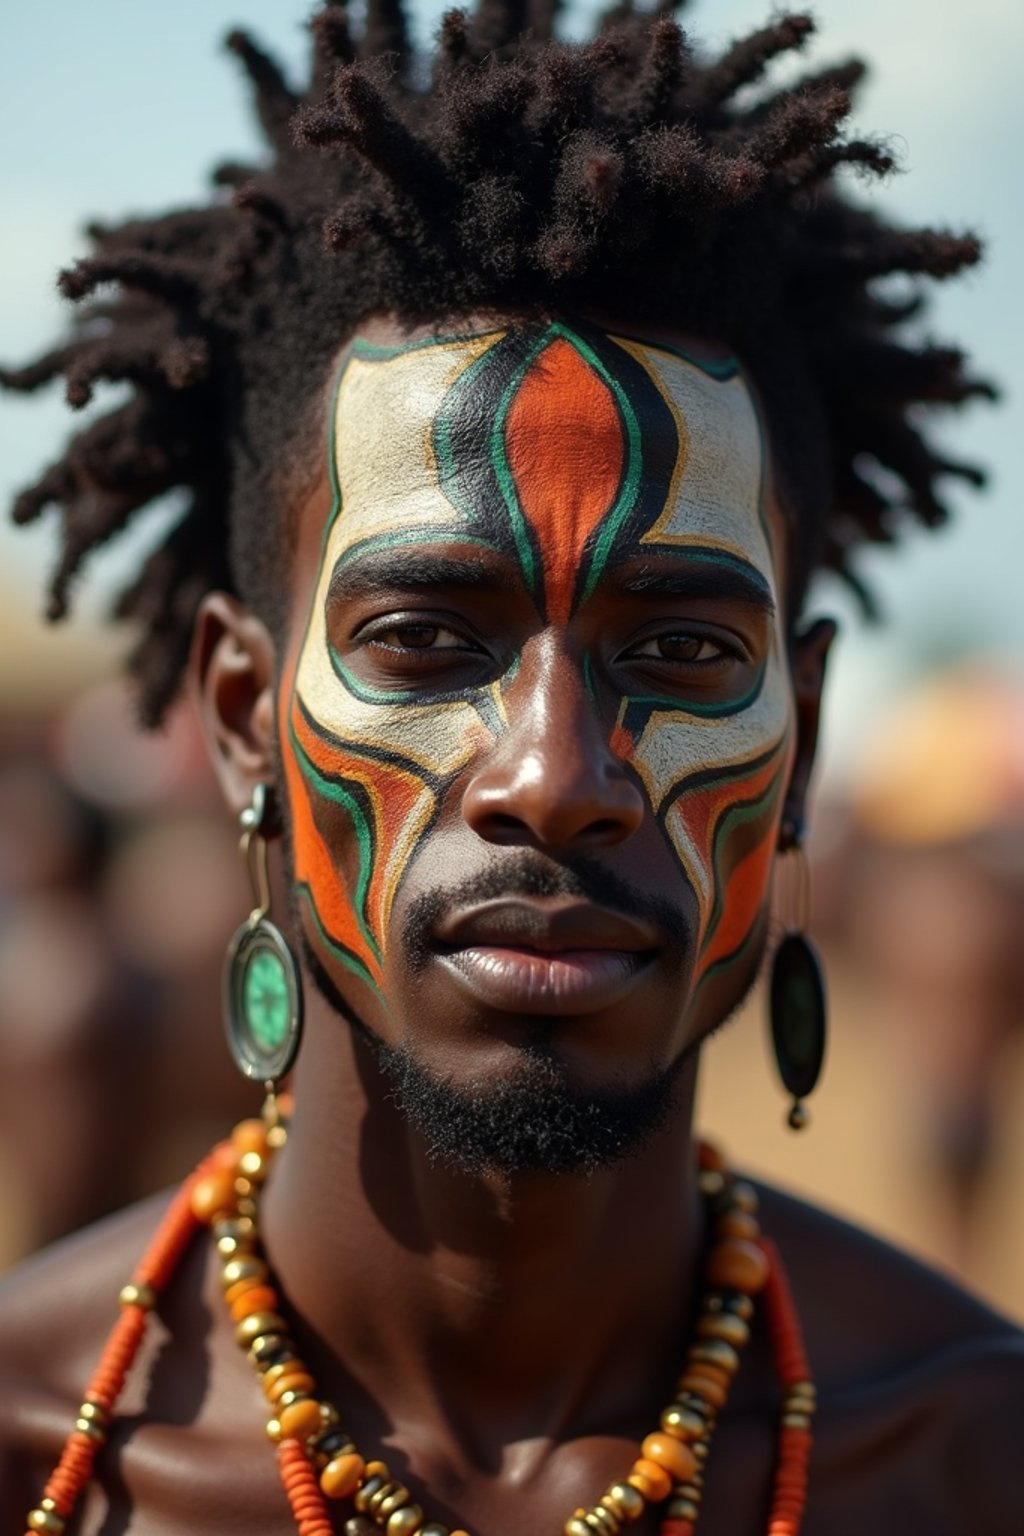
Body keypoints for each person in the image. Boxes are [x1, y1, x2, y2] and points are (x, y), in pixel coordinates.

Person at [1, 3, 1020, 1532]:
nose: (554, 777)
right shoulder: (42, 1458)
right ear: (238, 714)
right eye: (424, 637)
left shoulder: (966, 1456)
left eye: (679, 653)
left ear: (798, 733)